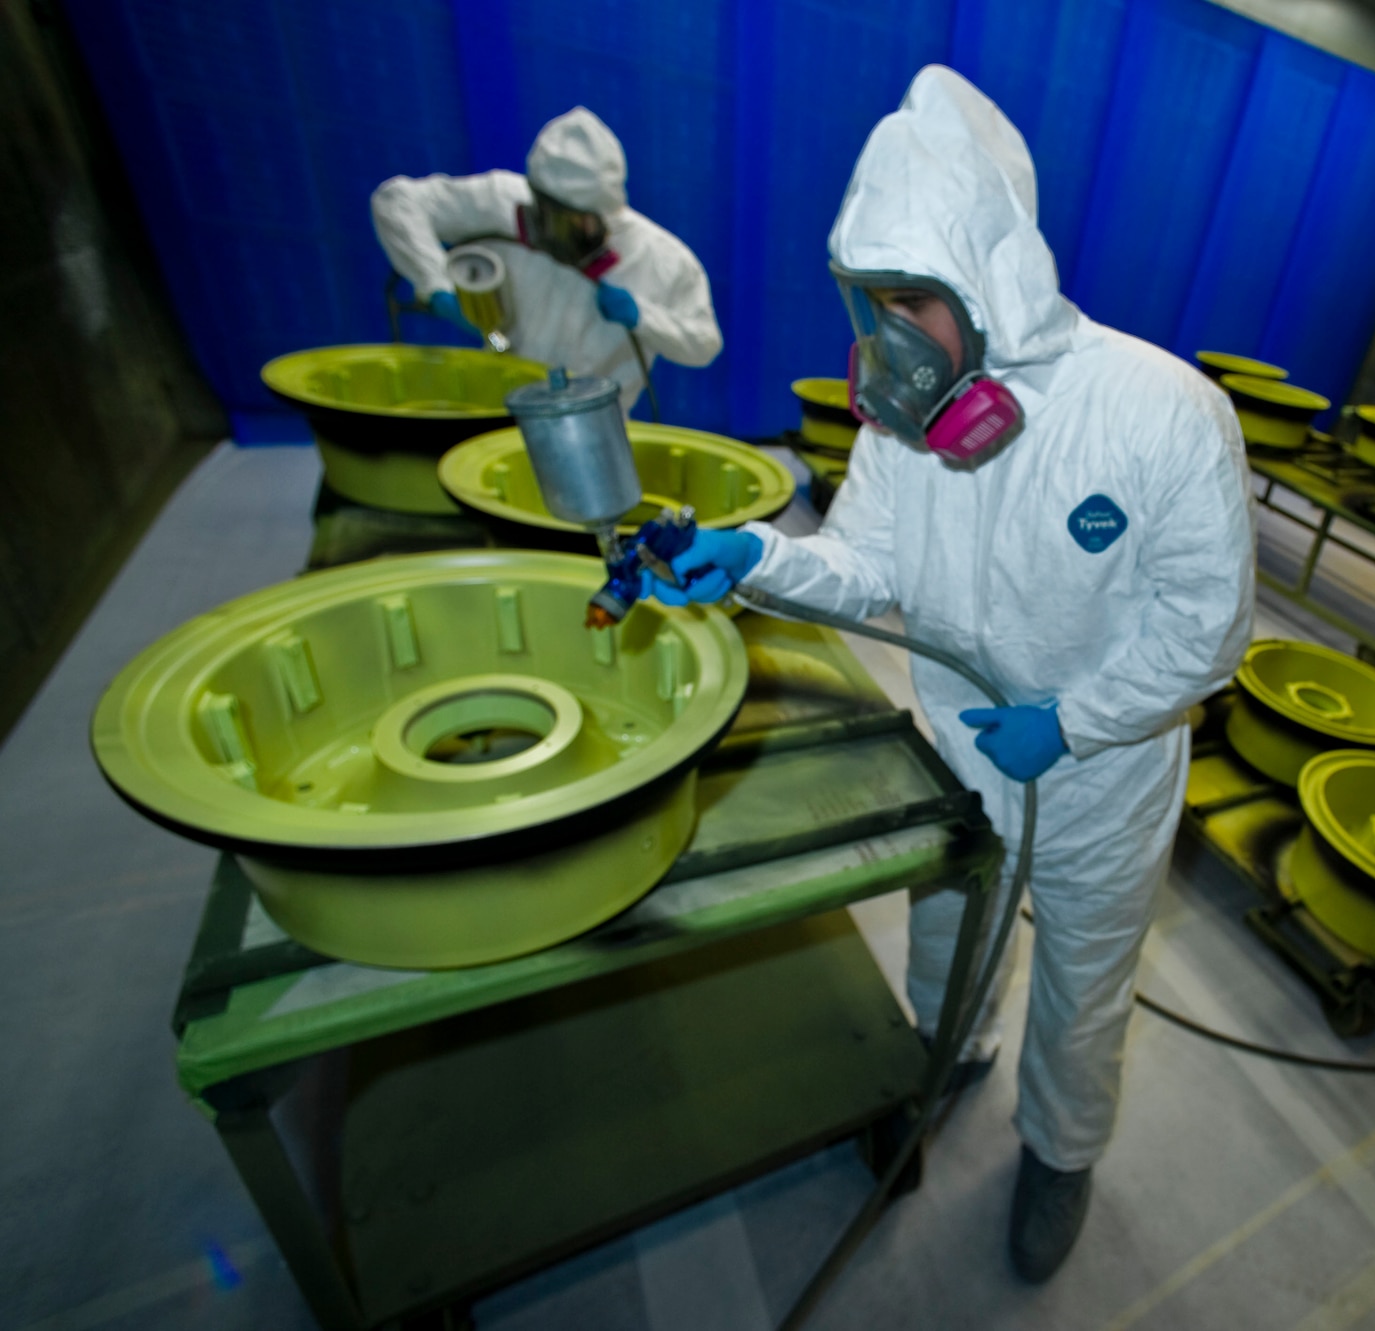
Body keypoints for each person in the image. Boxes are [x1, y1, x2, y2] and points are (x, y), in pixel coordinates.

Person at [651, 66, 1255, 1280]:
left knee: (1083, 986)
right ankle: (948, 1054)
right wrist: (756, 559)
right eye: (868, 301)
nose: (885, 339)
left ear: (988, 277)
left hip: (1098, 777)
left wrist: (1073, 723)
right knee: (946, 941)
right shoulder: (903, 425)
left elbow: (1206, 628)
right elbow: (866, 564)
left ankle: (1060, 1148)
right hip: (955, 757)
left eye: (909, 300)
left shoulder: (1162, 414)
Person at [371, 107, 721, 412]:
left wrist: (645, 317)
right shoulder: (502, 203)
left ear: (608, 211)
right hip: (499, 388)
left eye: (580, 222)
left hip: (596, 422)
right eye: (552, 215)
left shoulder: (660, 259)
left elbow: (704, 344)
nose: (561, 233)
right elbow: (396, 202)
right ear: (535, 198)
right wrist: (436, 286)